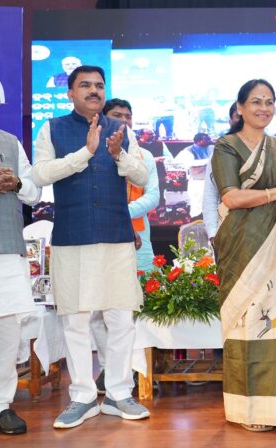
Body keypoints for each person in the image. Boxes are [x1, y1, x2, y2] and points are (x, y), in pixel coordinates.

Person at [32, 65, 150, 429]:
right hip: (73, 236)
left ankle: (118, 393)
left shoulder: (120, 130)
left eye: (99, 85)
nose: (94, 90)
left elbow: (142, 176)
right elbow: (40, 175)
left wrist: (118, 155)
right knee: (76, 319)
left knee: (121, 318)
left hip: (115, 234)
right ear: (70, 93)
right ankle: (83, 397)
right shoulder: (52, 128)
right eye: (85, 85)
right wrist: (85, 152)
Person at [210, 79, 276, 431]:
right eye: (256, 101)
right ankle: (251, 412)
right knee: (250, 326)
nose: (264, 108)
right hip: (243, 248)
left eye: (269, 102)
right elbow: (232, 198)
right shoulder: (226, 147)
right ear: (240, 108)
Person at [90, 98, 160, 393]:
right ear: (104, 118)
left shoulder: (144, 156)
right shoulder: (92, 153)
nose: (124, 121)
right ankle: (110, 368)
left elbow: (153, 197)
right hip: (100, 237)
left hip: (139, 239)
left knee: (142, 305)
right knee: (101, 309)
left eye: (128, 116)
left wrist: (122, 214)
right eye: (117, 115)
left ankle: (142, 367)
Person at [0, 87, 41, 435]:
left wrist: (16, 181)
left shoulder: (10, 142)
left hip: (6, 250)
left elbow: (34, 191)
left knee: (7, 333)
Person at [203, 103, 240, 245]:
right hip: (228, 229)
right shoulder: (221, 151)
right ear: (230, 121)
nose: (244, 121)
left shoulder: (271, 149)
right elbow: (210, 194)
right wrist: (213, 234)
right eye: (238, 117)